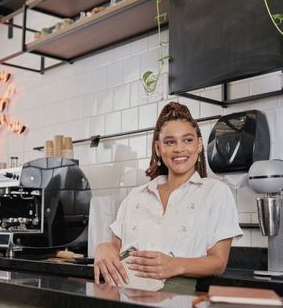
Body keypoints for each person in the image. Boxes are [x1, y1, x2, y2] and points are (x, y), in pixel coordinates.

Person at [94, 102, 242, 292]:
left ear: (199, 144)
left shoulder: (216, 193)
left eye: (187, 140)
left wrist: (174, 265)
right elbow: (116, 246)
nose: (179, 148)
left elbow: (218, 262)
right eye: (170, 142)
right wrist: (104, 248)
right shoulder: (135, 196)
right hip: (121, 293)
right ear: (158, 147)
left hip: (176, 298)